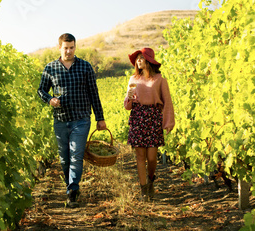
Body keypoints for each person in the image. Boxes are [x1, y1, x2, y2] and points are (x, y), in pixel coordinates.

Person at [38, 33, 107, 207]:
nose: (69, 51)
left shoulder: (85, 67)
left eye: (72, 47)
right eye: (66, 48)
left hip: (81, 119)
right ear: (59, 47)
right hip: (61, 120)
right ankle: (70, 185)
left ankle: (72, 192)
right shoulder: (50, 68)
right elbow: (41, 91)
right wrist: (50, 99)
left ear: (75, 47)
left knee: (76, 155)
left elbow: (94, 94)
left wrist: (100, 118)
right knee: (64, 159)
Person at [124, 47, 175, 201]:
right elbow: (127, 105)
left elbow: (167, 102)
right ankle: (143, 190)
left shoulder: (159, 80)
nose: (138, 61)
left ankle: (151, 179)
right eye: (137, 59)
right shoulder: (133, 79)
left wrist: (168, 122)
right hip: (138, 117)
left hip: (153, 118)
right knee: (140, 156)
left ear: (149, 61)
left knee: (152, 157)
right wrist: (129, 98)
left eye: (141, 58)